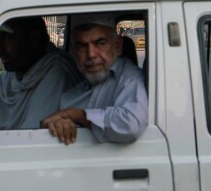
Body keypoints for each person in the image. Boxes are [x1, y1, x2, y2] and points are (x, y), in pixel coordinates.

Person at [41, 14, 147, 145]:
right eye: (81, 46)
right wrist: (60, 124)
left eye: (100, 43)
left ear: (118, 46)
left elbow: (130, 125)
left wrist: (77, 115)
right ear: (73, 52)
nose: (91, 54)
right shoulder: (74, 89)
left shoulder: (131, 78)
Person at [0, 17, 83, 130]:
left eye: (7, 37)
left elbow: (35, 134)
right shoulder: (12, 75)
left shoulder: (57, 74)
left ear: (33, 39)